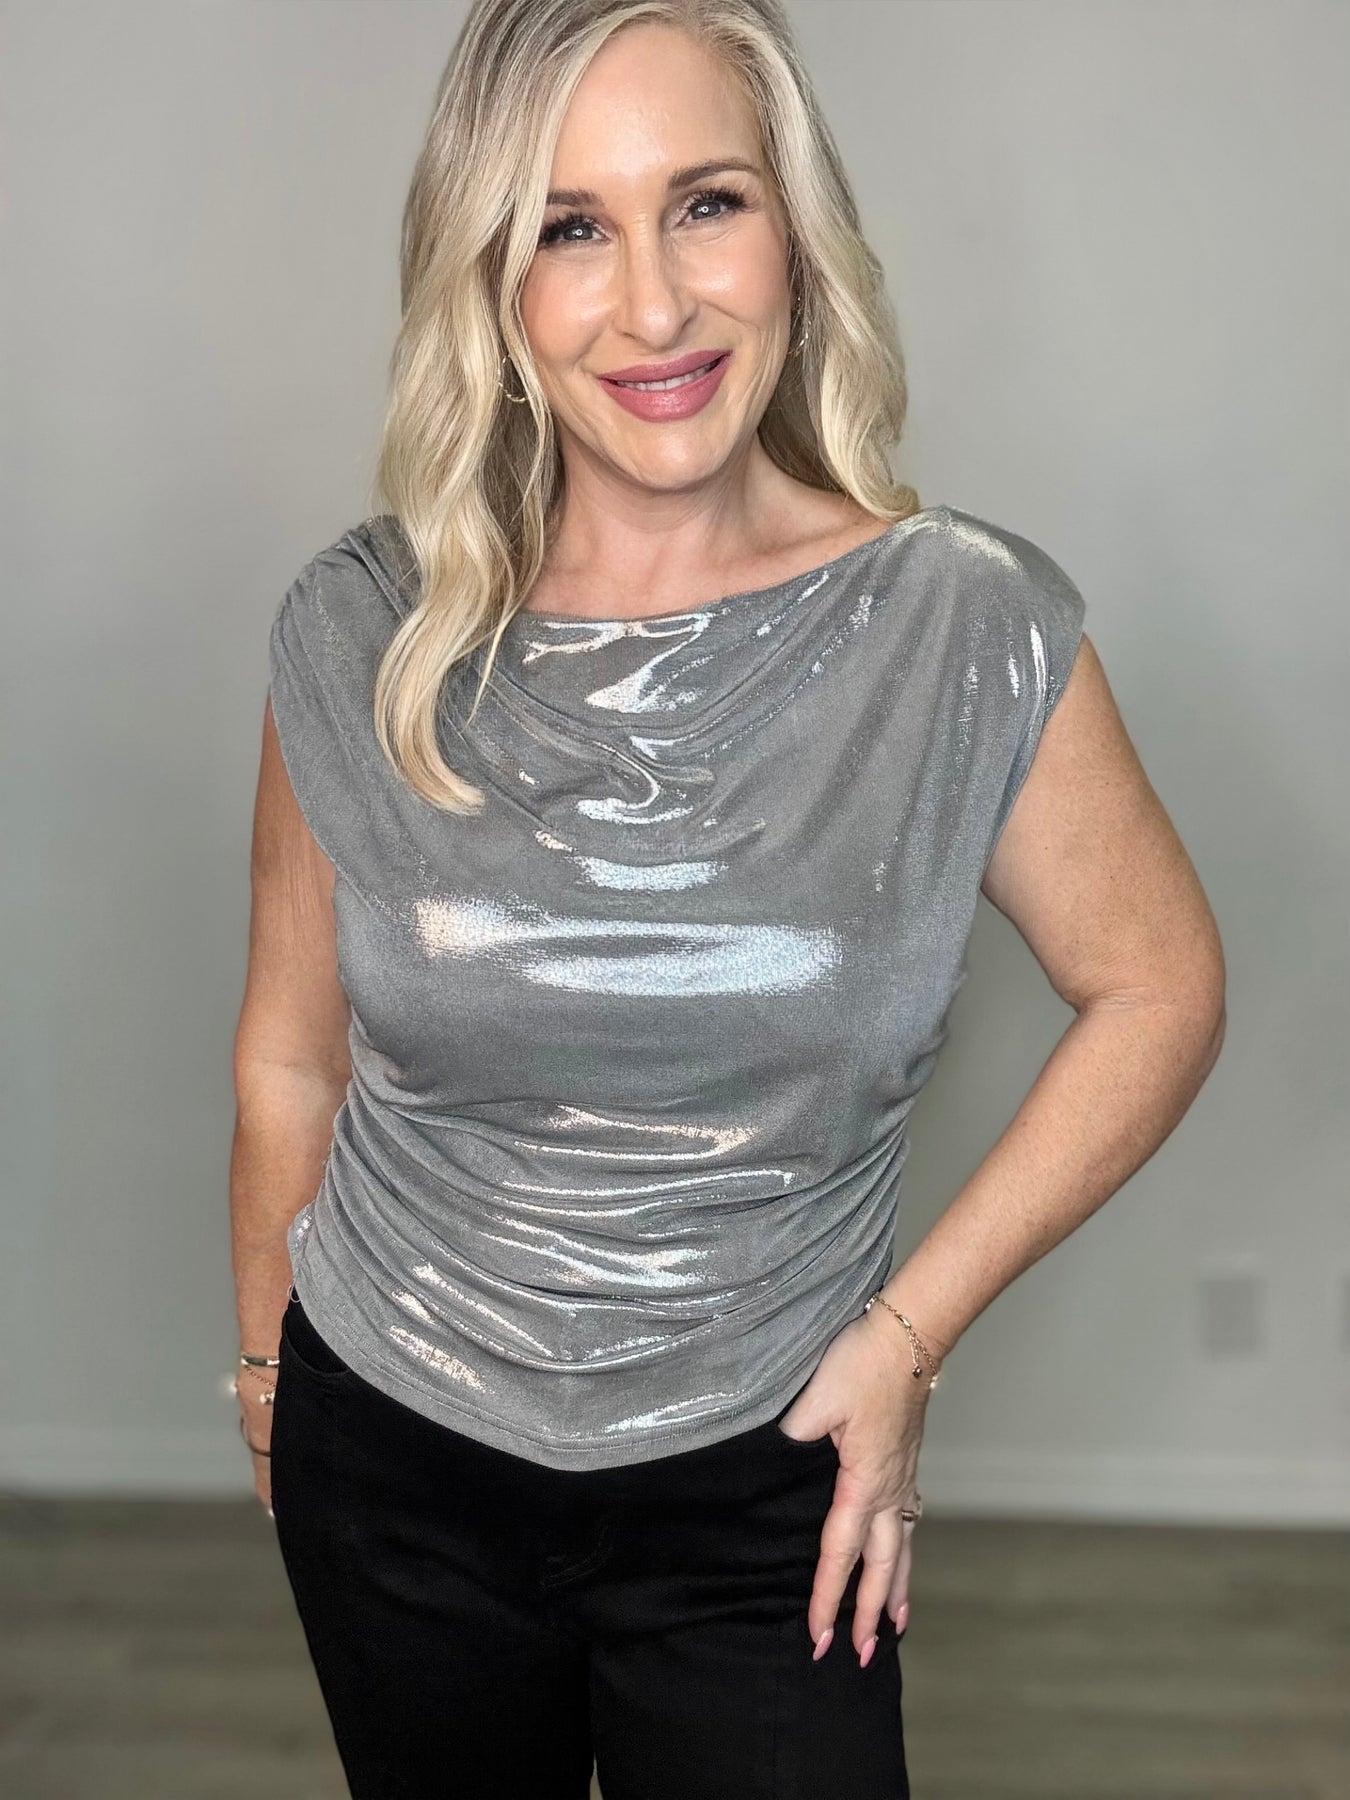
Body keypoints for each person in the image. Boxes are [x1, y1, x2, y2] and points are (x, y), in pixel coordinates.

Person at [229, 2, 1226, 1795]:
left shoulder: (963, 624)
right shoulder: (363, 628)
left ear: (793, 230)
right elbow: (288, 1060)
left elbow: (1158, 986)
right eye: (570, 226)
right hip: (391, 1457)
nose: (654, 305)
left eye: (705, 204)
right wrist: (264, 1379)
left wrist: (906, 1342)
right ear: (492, 281)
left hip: (771, 1474)